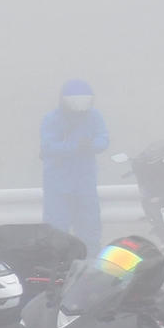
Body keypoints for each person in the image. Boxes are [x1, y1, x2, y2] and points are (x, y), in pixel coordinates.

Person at [40, 79, 110, 250]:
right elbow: (48, 146)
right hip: (58, 186)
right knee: (56, 232)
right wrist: (76, 146)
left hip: (84, 184)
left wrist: (92, 145)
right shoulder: (51, 119)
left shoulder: (94, 116)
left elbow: (103, 138)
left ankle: (90, 265)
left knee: (90, 230)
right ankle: (58, 269)